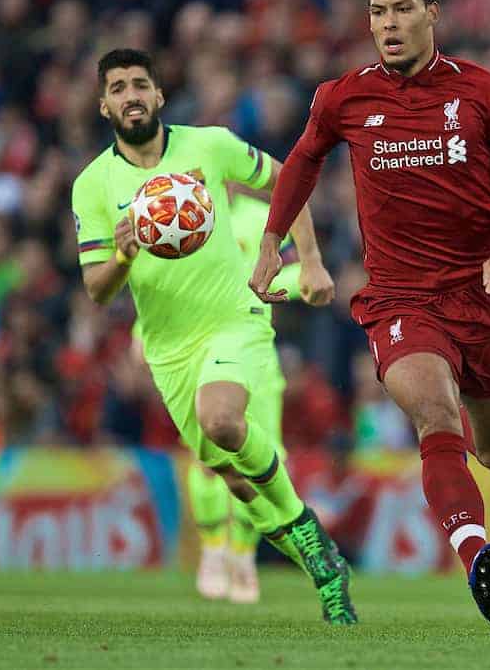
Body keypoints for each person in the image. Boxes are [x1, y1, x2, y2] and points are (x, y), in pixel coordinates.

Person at [250, 0, 490, 623]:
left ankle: (470, 508)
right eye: (377, 12)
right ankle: (475, 553)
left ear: (432, 13)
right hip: (402, 300)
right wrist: (275, 240)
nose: (388, 24)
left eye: (401, 10)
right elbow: (302, 159)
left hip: (486, 294)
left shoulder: (481, 92)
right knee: (436, 416)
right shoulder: (343, 98)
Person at [71, 48, 356, 625]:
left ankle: (302, 530)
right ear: (104, 105)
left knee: (222, 420)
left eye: (140, 84)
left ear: (159, 96)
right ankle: (320, 563)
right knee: (230, 475)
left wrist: (312, 259)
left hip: (235, 317)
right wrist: (124, 253)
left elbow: (288, 178)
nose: (131, 95)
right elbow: (98, 289)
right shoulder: (92, 186)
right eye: (119, 87)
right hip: (168, 348)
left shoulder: (210, 145)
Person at [187, 183, 305, 605]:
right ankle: (213, 550)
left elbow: (296, 272)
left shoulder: (265, 220)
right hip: (200, 348)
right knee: (209, 457)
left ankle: (242, 556)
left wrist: (268, 283)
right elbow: (163, 284)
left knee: (264, 457)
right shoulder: (188, 219)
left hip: (257, 351)